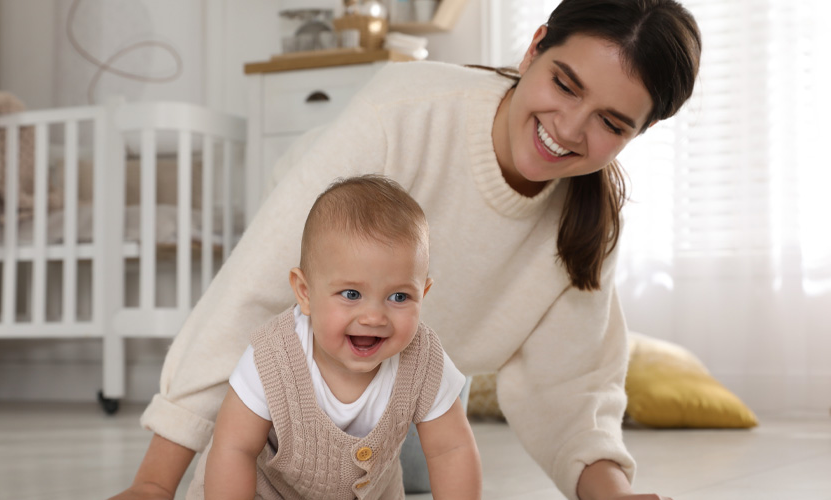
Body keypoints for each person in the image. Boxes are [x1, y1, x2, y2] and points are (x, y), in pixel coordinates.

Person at [111, 0, 701, 499]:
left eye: (612, 123)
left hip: (411, 397)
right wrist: (153, 484)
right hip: (304, 374)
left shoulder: (590, 223)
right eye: (564, 84)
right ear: (534, 49)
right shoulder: (402, 111)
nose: (570, 130)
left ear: (639, 133)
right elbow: (249, 293)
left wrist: (612, 492)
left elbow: (573, 385)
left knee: (411, 465)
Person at [202, 175, 481, 499]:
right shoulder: (272, 357)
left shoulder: (423, 359)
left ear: (424, 293)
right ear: (305, 293)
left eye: (399, 297)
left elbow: (452, 450)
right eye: (351, 293)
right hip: (268, 492)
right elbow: (234, 448)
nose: (374, 317)